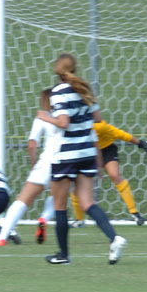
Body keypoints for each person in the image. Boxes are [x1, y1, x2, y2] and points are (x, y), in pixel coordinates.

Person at [37, 52, 127, 265]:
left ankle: (63, 255)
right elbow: (98, 119)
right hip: (87, 152)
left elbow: (63, 122)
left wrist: (45, 117)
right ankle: (114, 238)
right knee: (87, 203)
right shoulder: (84, 90)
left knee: (60, 205)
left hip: (66, 154)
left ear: (57, 70)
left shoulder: (58, 92)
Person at [0, 88, 59, 247]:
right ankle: (44, 218)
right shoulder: (67, 117)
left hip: (46, 163)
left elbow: (32, 144)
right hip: (65, 162)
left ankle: (2, 237)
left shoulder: (42, 117)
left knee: (23, 199)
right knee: (57, 196)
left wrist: (34, 163)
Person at [69, 120, 147, 227]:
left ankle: (135, 213)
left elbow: (119, 133)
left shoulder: (99, 127)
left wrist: (140, 143)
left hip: (106, 149)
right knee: (76, 187)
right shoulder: (72, 126)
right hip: (86, 152)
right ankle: (79, 220)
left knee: (115, 176)